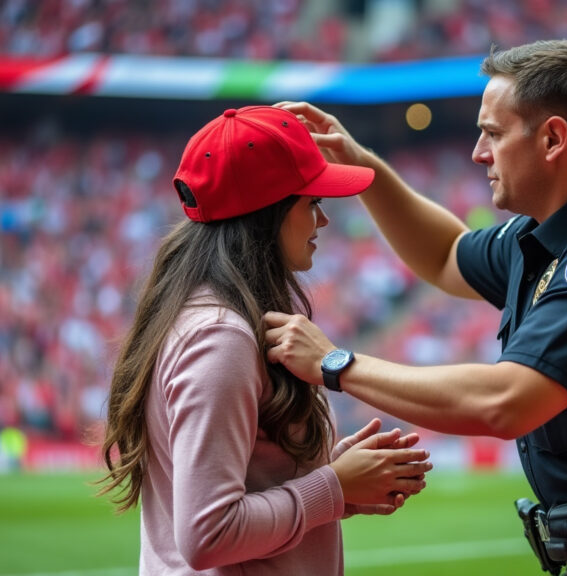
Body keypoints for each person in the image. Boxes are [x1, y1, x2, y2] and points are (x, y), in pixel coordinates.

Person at [264, 40, 567, 575]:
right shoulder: (539, 238)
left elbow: (506, 402)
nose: (479, 152)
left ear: (553, 138)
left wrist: (336, 364)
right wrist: (362, 166)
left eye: (494, 133)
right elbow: (442, 255)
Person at [97, 105, 432, 576]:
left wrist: (333, 478)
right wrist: (332, 487)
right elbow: (207, 533)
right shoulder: (221, 338)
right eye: (312, 203)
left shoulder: (207, 314)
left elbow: (246, 485)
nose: (324, 221)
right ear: (267, 213)